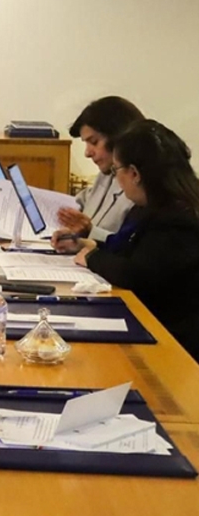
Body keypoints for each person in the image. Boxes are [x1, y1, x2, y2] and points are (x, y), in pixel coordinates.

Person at [55, 120, 199, 361]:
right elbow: (127, 249)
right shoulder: (150, 207)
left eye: (116, 170)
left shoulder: (177, 218)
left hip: (175, 344)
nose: (117, 179)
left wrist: (93, 257)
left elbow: (136, 274)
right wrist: (86, 245)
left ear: (134, 174)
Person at [54, 96, 145, 244]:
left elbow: (130, 247)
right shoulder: (107, 172)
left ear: (118, 138)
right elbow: (84, 200)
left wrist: (89, 232)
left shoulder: (140, 189)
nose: (87, 153)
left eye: (94, 142)